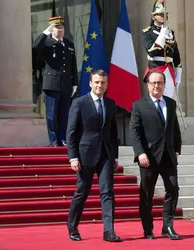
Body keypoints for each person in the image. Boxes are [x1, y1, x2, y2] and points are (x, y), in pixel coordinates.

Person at [66, 69, 121, 242]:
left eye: (103, 82)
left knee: (107, 192)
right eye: (96, 82)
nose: (99, 85)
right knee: (82, 191)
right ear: (90, 83)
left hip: (106, 154)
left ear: (107, 84)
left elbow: (113, 132)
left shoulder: (111, 104)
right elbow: (71, 132)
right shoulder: (79, 103)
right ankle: (73, 226)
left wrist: (115, 156)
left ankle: (108, 231)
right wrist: (73, 157)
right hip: (85, 155)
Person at [129, 71, 182, 240]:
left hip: (168, 156)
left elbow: (175, 129)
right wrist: (140, 153)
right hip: (149, 157)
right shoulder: (139, 105)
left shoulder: (171, 104)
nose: (156, 86)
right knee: (146, 194)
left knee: (173, 188)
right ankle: (148, 228)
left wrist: (177, 149)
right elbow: (134, 132)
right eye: (153, 83)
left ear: (164, 85)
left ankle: (168, 226)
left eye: (159, 83)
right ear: (148, 85)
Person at [32, 16, 78, 147]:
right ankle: (53, 140)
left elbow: (73, 65)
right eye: (56, 27)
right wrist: (45, 33)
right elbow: (35, 49)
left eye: (61, 27)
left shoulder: (69, 44)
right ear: (51, 29)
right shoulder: (46, 44)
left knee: (65, 113)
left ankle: (63, 138)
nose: (59, 29)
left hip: (66, 84)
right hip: (51, 84)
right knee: (52, 115)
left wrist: (75, 82)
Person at [142, 0, 182, 99]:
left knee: (169, 99)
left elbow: (176, 55)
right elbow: (151, 51)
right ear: (153, 17)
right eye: (159, 14)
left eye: (164, 14)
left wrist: (178, 75)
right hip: (156, 68)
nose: (162, 16)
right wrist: (162, 35)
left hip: (169, 69)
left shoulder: (170, 33)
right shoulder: (148, 32)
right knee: (156, 97)